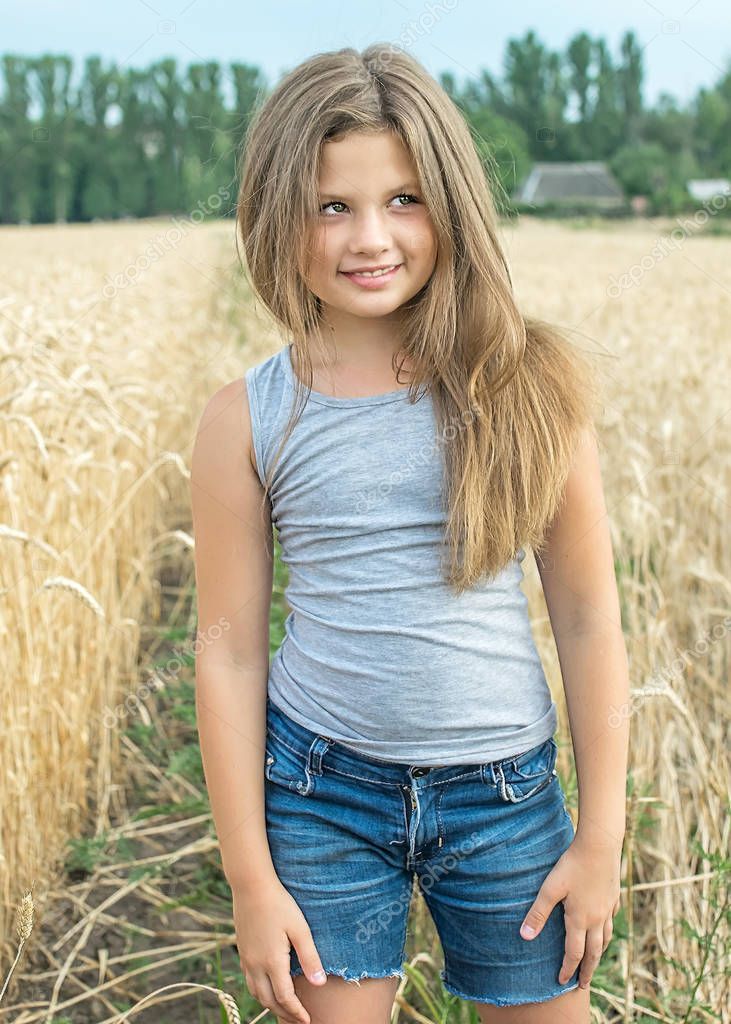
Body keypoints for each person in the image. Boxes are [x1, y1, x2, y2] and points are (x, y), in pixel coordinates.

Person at [190, 43, 629, 1024]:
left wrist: (598, 837)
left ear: (450, 204)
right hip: (320, 794)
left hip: (504, 797)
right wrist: (249, 879)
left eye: (403, 199)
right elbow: (225, 653)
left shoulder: (523, 390)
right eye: (330, 206)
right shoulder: (247, 419)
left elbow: (589, 619)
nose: (369, 236)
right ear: (276, 215)